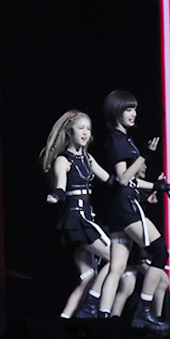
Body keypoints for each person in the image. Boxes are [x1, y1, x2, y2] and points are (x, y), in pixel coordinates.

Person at [100, 90, 170, 324]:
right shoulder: (117, 139)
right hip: (126, 208)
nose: (133, 114)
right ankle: (144, 308)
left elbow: (131, 180)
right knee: (160, 252)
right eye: (128, 109)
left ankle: (105, 318)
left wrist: (158, 186)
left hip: (120, 207)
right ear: (116, 112)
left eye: (134, 109)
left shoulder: (124, 139)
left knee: (117, 267)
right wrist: (145, 155)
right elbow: (123, 178)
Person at [42, 110, 116, 319]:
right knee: (116, 257)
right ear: (70, 131)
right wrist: (56, 196)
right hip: (76, 220)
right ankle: (92, 302)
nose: (85, 132)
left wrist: (139, 185)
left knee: (88, 278)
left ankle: (64, 319)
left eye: (88, 128)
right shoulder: (63, 160)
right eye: (81, 128)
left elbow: (111, 180)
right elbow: (60, 185)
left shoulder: (88, 159)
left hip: (85, 219)